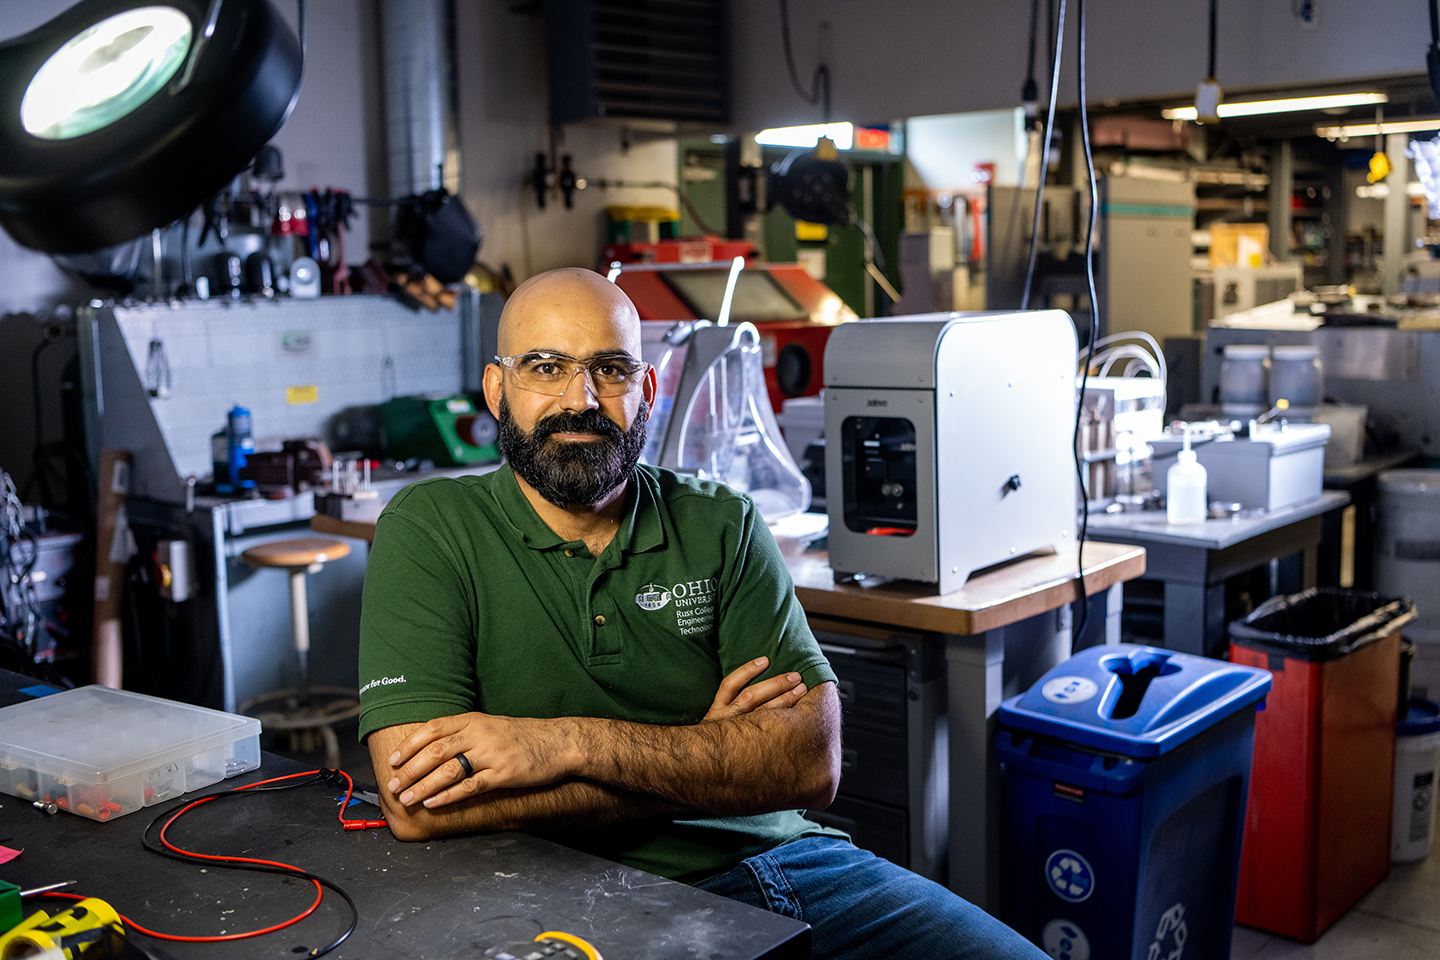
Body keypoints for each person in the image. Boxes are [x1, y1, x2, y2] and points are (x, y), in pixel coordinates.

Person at [357, 268, 1045, 960]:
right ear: (497, 389)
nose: (582, 398)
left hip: (793, 866)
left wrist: (559, 746)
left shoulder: (722, 523)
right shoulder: (432, 529)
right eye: (545, 366)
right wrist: (703, 760)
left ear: (648, 390)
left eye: (612, 368)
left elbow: (811, 762)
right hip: (564, 896)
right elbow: (417, 804)